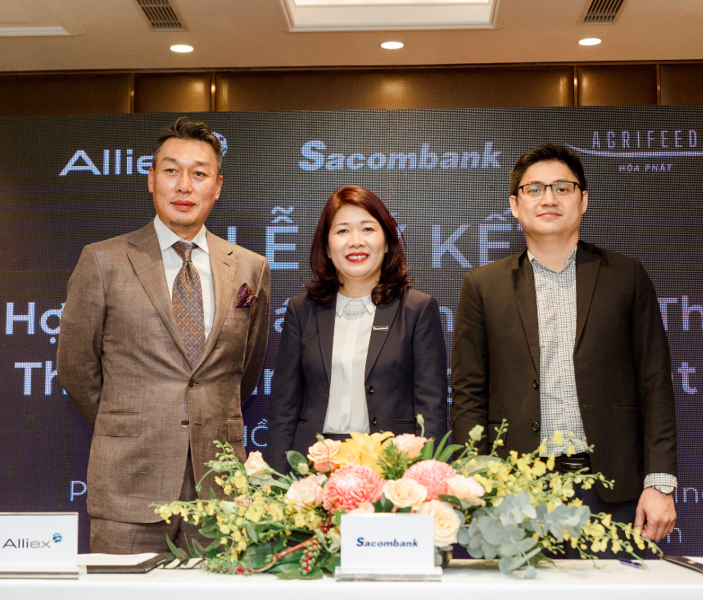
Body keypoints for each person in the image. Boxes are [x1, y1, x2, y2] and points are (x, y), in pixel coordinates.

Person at [56, 117, 270, 553]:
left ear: (218, 186)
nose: (184, 186)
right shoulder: (103, 261)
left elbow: (244, 369)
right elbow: (76, 368)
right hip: (128, 489)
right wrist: (132, 423)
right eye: (171, 171)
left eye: (199, 173)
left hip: (219, 496)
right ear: (151, 180)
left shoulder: (250, 268)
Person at [451, 143, 677, 546]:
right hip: (514, 492)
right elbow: (468, 394)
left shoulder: (626, 276)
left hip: (612, 492)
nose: (549, 198)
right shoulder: (483, 286)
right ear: (515, 205)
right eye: (534, 189)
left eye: (562, 187)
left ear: (583, 200)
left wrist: (659, 484)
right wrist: (476, 481)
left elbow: (654, 383)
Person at [266, 186, 448, 473]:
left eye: (367, 229)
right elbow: (283, 406)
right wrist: (274, 480)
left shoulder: (417, 309)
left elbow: (431, 408)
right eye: (342, 231)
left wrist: (427, 477)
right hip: (313, 466)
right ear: (326, 247)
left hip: (391, 468)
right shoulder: (301, 310)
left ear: (387, 242)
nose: (355, 242)